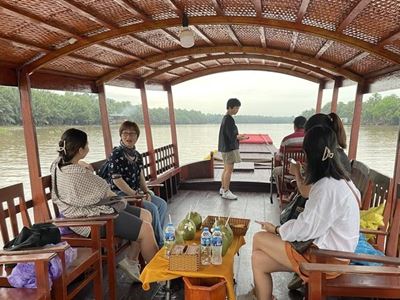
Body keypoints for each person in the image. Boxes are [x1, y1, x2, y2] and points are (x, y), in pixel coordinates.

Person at [251, 125, 360, 300]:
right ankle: (262, 295)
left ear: (311, 156)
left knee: (258, 238)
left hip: (325, 260)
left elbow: (307, 228)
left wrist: (277, 230)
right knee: (258, 260)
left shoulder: (326, 187)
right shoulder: (343, 181)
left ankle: (260, 293)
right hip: (335, 254)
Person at [51, 128, 158, 283]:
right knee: (146, 229)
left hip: (90, 211)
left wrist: (81, 164)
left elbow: (78, 168)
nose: (88, 146)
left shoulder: (57, 164)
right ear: (80, 150)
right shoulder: (78, 175)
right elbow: (107, 192)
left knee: (146, 215)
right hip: (90, 221)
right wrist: (87, 170)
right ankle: (160, 275)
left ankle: (131, 261)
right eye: (86, 144)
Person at [107, 121, 167, 248]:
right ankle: (159, 244)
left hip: (135, 193)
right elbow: (117, 180)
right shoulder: (116, 154)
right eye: (125, 133)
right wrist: (136, 195)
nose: (129, 137)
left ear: (137, 136)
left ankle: (156, 236)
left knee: (161, 204)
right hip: (120, 194)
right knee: (152, 208)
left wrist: (146, 192)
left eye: (132, 134)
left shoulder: (137, 155)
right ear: (121, 136)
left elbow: (140, 176)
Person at [291, 112, 351, 198]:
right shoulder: (334, 154)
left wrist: (297, 172)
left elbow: (306, 192)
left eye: (308, 135)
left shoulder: (329, 158)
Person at [218, 98, 248, 200]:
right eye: (236, 108)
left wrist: (239, 136)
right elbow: (232, 136)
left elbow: (230, 134)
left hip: (224, 148)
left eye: (238, 108)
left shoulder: (225, 118)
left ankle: (222, 188)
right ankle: (226, 191)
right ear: (230, 107)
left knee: (226, 169)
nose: (237, 110)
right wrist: (241, 137)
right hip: (229, 148)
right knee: (229, 171)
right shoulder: (229, 119)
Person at [272, 115, 306, 197]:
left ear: (294, 126)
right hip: (307, 172)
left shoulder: (287, 139)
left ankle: (283, 193)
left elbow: (278, 157)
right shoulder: (312, 138)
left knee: (276, 171)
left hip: (289, 171)